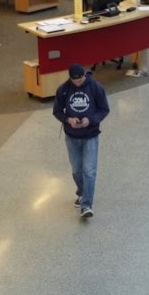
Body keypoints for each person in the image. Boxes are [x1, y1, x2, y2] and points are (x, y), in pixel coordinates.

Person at [53, 64, 110, 219]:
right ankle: (82, 193)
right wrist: (68, 119)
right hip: (71, 137)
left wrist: (90, 120)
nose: (77, 83)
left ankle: (86, 206)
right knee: (77, 170)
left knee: (89, 171)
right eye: (74, 81)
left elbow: (104, 109)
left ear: (85, 75)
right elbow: (57, 111)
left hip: (90, 136)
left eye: (80, 80)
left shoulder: (96, 87)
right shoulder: (63, 89)